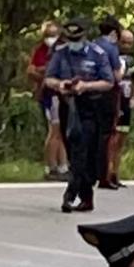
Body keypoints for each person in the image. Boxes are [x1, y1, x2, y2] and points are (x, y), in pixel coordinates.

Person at [44, 15, 116, 214]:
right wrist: (61, 85)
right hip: (69, 105)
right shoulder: (61, 53)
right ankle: (86, 197)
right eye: (70, 39)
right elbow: (48, 78)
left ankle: (70, 195)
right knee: (73, 148)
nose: (73, 43)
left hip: (91, 107)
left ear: (84, 37)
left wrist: (86, 86)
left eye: (77, 39)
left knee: (82, 151)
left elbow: (108, 82)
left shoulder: (97, 53)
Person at [27, 19, 67, 180]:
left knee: (62, 132)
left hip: (62, 95)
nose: (51, 38)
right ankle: (51, 167)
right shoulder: (41, 50)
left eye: (54, 35)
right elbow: (31, 70)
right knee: (54, 131)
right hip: (50, 96)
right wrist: (44, 75)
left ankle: (63, 166)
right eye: (48, 35)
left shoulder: (63, 51)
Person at [94, 15, 124, 191]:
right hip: (108, 94)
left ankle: (91, 172)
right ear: (114, 32)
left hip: (90, 93)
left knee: (93, 134)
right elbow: (116, 75)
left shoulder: (92, 45)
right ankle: (104, 176)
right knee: (107, 135)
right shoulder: (111, 48)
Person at [106, 27, 134, 190]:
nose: (126, 45)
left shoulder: (132, 61)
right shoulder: (112, 57)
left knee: (122, 140)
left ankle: (115, 173)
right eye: (124, 42)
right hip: (114, 102)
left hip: (126, 102)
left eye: (130, 43)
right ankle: (106, 172)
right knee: (112, 139)